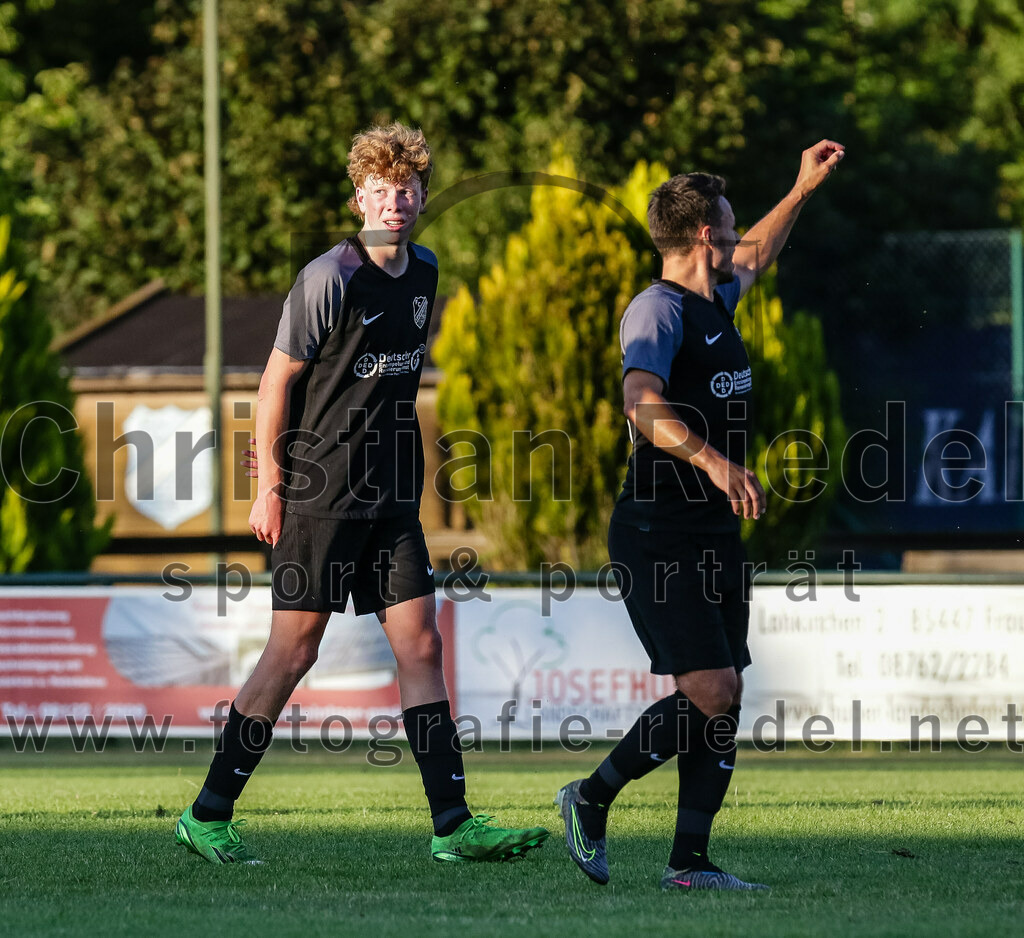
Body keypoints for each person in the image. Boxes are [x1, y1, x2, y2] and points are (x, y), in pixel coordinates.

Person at [175, 122, 549, 865]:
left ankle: (453, 825)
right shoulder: (328, 277)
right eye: (381, 191)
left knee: (421, 643)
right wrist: (269, 488)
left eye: (406, 190)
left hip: (391, 496)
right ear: (359, 200)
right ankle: (207, 813)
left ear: (421, 196)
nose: (396, 201)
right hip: (319, 492)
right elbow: (276, 382)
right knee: (294, 652)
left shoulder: (425, 270)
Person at [554, 139, 844, 890]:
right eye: (731, 223)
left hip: (711, 529)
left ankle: (690, 865)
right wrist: (715, 461)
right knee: (709, 691)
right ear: (705, 236)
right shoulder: (656, 310)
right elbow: (640, 404)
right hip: (657, 529)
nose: (741, 236)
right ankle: (589, 797)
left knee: (726, 696)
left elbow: (758, 251)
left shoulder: (718, 296)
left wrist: (801, 187)